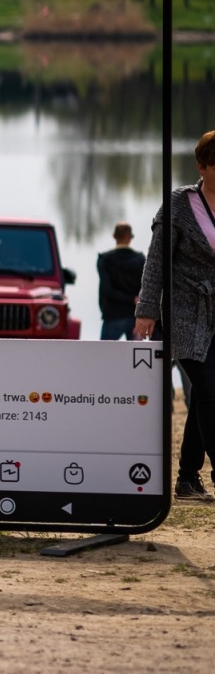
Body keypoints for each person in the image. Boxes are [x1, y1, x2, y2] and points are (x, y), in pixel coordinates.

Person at [135, 129, 215, 502]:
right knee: (211, 392)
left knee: (203, 394)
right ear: (202, 166)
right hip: (185, 312)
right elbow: (156, 262)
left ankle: (186, 478)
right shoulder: (180, 204)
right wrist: (147, 309)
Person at [97, 221, 144, 340]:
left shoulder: (105, 259)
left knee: (103, 356)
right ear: (130, 237)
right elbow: (145, 288)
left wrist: (128, 299)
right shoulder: (140, 259)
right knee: (136, 357)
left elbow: (107, 289)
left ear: (114, 236)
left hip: (112, 315)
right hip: (135, 317)